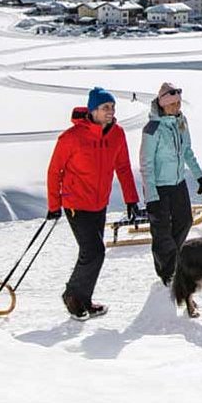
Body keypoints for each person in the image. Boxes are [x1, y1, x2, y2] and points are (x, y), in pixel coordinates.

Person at [46, 87, 141, 320]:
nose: (111, 112)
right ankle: (72, 296)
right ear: (93, 110)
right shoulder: (71, 138)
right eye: (105, 108)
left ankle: (84, 299)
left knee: (92, 252)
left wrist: (131, 199)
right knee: (94, 251)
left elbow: (123, 168)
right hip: (75, 204)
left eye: (112, 107)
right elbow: (54, 171)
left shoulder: (117, 134)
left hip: (100, 203)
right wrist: (53, 205)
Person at [139, 82, 202, 286]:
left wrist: (199, 175)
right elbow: (146, 164)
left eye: (178, 103)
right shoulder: (152, 129)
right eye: (172, 104)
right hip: (158, 186)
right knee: (161, 231)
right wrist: (151, 196)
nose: (176, 107)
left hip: (178, 182)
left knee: (185, 221)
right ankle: (167, 271)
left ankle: (173, 259)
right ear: (162, 105)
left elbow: (187, 150)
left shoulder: (181, 122)